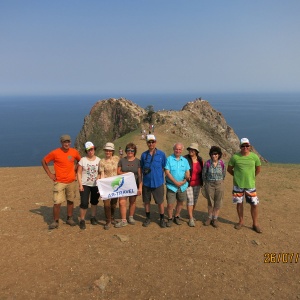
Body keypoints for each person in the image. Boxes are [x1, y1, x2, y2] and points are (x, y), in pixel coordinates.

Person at [41, 134, 81, 229]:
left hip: (71, 181)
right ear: (61, 143)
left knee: (70, 200)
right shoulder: (55, 153)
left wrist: (76, 170)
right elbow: (44, 161)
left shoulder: (74, 152)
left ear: (70, 142)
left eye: (68, 142)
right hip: (59, 181)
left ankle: (69, 218)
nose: (66, 144)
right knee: (57, 202)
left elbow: (80, 161)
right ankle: (55, 221)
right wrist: (50, 174)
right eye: (64, 142)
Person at [227, 138, 262, 233]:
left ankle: (255, 224)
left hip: (250, 185)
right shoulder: (235, 157)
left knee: (254, 204)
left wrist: (251, 177)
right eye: (243, 146)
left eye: (247, 146)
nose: (245, 147)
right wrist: (237, 176)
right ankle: (241, 221)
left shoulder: (254, 157)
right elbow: (229, 169)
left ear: (250, 146)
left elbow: (258, 169)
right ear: (240, 147)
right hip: (238, 185)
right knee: (239, 203)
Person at [140, 134, 167, 228]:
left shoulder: (162, 154)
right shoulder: (144, 155)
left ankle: (162, 219)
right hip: (147, 183)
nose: (151, 144)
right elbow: (142, 167)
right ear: (147, 143)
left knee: (160, 202)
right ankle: (148, 218)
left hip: (158, 182)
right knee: (146, 201)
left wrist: (158, 175)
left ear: (155, 142)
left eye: (153, 142)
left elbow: (164, 167)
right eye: (149, 142)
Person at [115, 142, 142, 228]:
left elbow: (140, 175)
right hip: (123, 185)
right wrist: (125, 173)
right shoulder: (122, 160)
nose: (130, 152)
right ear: (126, 151)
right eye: (128, 150)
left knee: (132, 202)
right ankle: (123, 220)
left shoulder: (138, 161)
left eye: (132, 150)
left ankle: (131, 217)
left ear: (135, 151)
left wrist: (140, 187)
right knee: (122, 202)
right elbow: (118, 172)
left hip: (134, 185)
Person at [165, 143, 190, 227]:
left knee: (180, 202)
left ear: (182, 150)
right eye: (176, 149)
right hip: (171, 186)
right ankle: (169, 218)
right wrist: (175, 182)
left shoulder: (185, 160)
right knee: (170, 204)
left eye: (179, 149)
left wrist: (185, 180)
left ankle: (176, 216)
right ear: (173, 149)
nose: (178, 151)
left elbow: (187, 172)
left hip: (182, 186)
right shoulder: (169, 159)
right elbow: (167, 172)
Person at [77, 141, 101, 230]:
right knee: (84, 202)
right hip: (85, 184)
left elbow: (100, 172)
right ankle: (82, 219)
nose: (90, 151)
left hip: (95, 184)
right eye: (88, 150)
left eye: (92, 149)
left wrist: (99, 178)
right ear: (86, 151)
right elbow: (79, 173)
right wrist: (80, 185)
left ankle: (93, 217)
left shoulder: (99, 160)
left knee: (94, 201)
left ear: (94, 149)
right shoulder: (82, 160)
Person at [202, 146, 226, 228]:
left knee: (218, 202)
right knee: (210, 202)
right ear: (210, 155)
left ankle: (215, 218)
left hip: (219, 184)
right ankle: (209, 218)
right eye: (212, 154)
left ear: (219, 155)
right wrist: (205, 184)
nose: (214, 156)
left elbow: (224, 174)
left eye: (216, 154)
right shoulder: (207, 163)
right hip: (210, 184)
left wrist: (220, 181)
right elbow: (204, 174)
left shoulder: (222, 163)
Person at [99, 142, 120, 230]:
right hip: (106, 184)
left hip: (115, 184)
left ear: (112, 151)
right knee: (106, 203)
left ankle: (112, 217)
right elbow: (102, 173)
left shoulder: (117, 159)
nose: (108, 152)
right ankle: (108, 220)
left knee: (114, 202)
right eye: (106, 150)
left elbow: (120, 169)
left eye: (110, 151)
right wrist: (101, 187)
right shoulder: (102, 161)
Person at [184, 142, 204, 227]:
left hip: (197, 183)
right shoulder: (185, 159)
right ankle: (191, 218)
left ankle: (190, 214)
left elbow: (203, 171)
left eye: (193, 150)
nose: (191, 151)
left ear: (196, 151)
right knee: (190, 200)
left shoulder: (200, 160)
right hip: (188, 184)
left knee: (195, 200)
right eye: (190, 149)